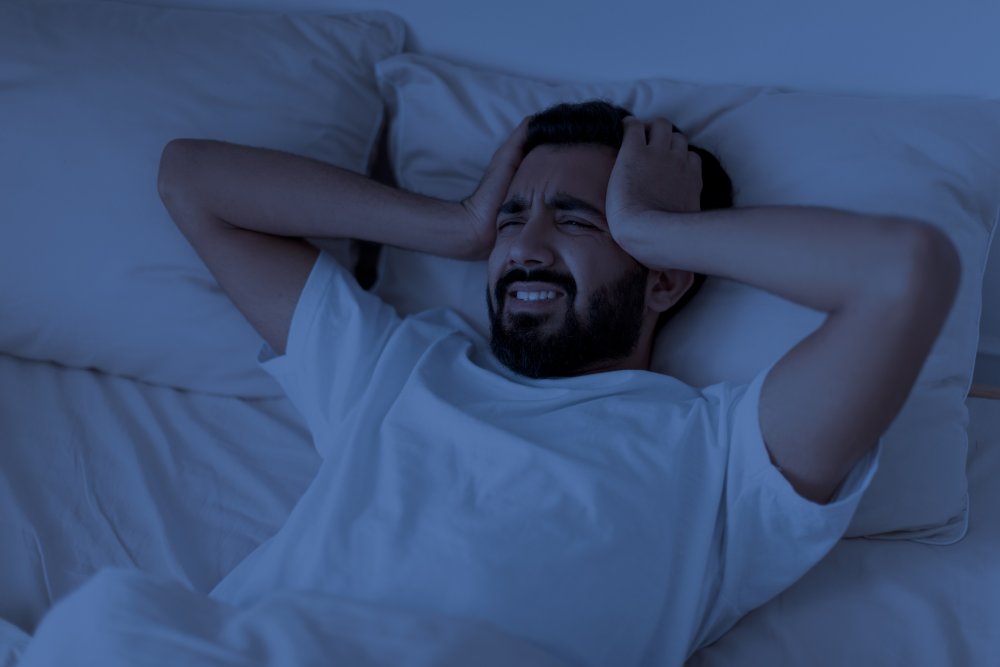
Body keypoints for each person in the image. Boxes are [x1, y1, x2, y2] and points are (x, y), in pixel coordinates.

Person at [155, 100, 959, 665]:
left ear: (666, 277)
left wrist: (654, 228)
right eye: (514, 218)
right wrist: (457, 224)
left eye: (576, 220)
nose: (525, 247)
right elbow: (190, 178)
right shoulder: (398, 365)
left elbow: (903, 272)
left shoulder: (723, 456)